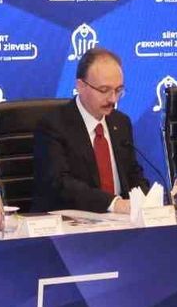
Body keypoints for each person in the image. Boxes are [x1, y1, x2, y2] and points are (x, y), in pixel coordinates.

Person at [32, 48, 148, 213]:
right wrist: (113, 204)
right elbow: (61, 184)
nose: (113, 99)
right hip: (73, 221)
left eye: (118, 90)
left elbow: (133, 174)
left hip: (121, 221)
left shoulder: (121, 122)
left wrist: (145, 200)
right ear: (80, 86)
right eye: (104, 90)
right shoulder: (53, 125)